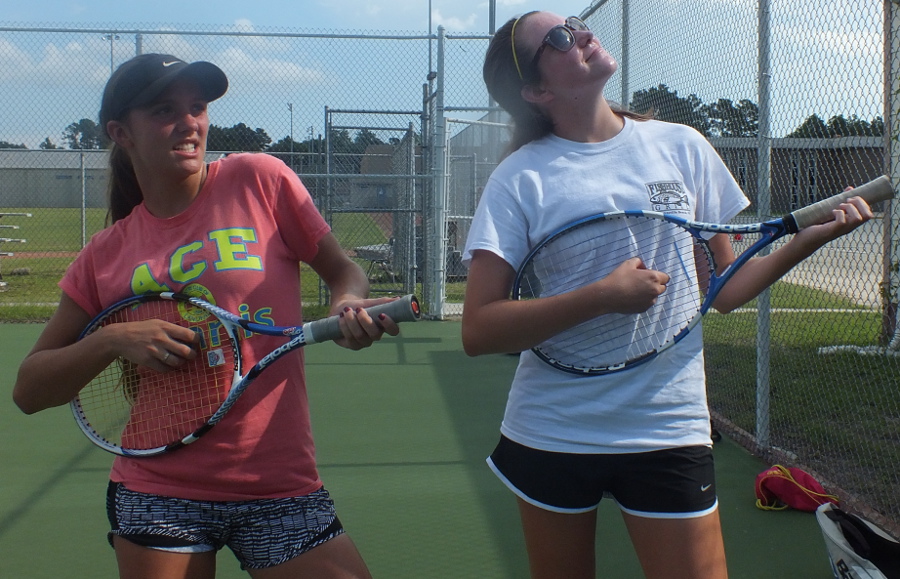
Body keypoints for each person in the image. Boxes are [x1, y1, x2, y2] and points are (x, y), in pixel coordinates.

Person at [461, 12, 877, 579]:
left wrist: (812, 239)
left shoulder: (682, 147)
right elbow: (479, 328)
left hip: (668, 424)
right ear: (537, 90)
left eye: (577, 23)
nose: (581, 33)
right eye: (559, 38)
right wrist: (601, 297)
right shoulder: (519, 177)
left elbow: (724, 291)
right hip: (553, 430)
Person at [12, 53, 400, 579]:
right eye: (165, 110)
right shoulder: (104, 254)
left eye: (197, 107)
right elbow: (29, 390)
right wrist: (110, 341)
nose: (189, 123)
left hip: (279, 486)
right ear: (120, 132)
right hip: (159, 492)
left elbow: (343, 272)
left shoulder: (259, 179)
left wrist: (346, 304)